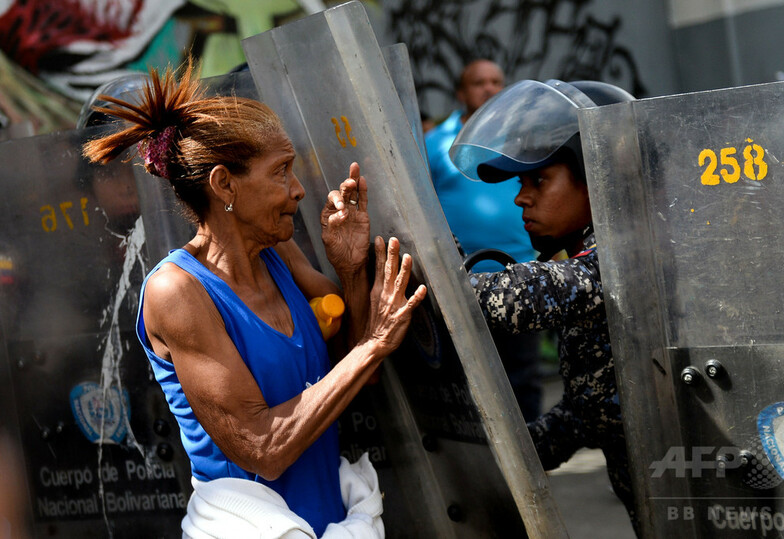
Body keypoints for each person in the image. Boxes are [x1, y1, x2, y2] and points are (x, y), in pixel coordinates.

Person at [83, 64, 426, 537]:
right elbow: (263, 449)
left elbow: (353, 376)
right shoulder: (176, 292)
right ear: (224, 184)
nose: (298, 189)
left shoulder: (277, 251)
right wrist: (375, 342)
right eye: (281, 171)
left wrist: (350, 270)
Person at [449, 79, 639, 533]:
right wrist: (504, 456)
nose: (521, 196)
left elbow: (507, 300)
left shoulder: (625, 260)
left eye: (539, 180)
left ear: (598, 176)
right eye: (522, 182)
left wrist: (430, 274)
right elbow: (589, 409)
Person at [425, 59, 537, 272]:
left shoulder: (522, 139)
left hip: (523, 267)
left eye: (496, 82)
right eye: (479, 83)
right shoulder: (434, 142)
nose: (489, 88)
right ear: (461, 93)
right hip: (458, 271)